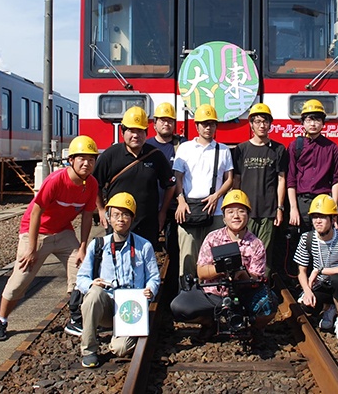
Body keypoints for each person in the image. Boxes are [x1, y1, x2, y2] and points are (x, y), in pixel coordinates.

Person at [0, 135, 99, 342]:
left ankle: (75, 318)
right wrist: (31, 247)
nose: (87, 163)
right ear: (71, 160)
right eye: (82, 158)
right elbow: (35, 212)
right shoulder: (56, 180)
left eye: (91, 159)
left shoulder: (91, 184)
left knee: (81, 270)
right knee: (20, 278)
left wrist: (83, 246)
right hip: (37, 232)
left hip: (63, 232)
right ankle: (1, 320)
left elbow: (86, 217)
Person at [170, 189, 277, 343]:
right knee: (179, 307)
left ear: (248, 215)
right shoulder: (213, 238)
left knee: (270, 303)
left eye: (241, 211)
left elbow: (258, 276)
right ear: (224, 217)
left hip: (244, 293)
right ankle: (209, 323)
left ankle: (255, 327)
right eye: (231, 212)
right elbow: (201, 271)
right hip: (214, 292)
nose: (236, 216)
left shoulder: (256, 244)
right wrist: (221, 269)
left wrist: (242, 274)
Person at [76, 192, 160, 368]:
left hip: (131, 308)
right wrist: (92, 284)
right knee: (93, 295)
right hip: (107, 304)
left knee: (120, 349)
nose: (121, 219)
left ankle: (121, 336)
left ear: (132, 218)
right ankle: (89, 350)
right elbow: (81, 278)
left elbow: (154, 276)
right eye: (116, 215)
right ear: (109, 217)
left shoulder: (144, 246)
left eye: (125, 214)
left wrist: (150, 289)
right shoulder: (98, 245)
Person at [92, 106, 175, 248]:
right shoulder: (110, 155)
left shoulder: (156, 155)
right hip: (118, 222)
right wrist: (100, 209)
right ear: (123, 132)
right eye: (131, 130)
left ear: (146, 133)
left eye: (140, 131)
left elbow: (170, 185)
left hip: (147, 223)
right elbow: (95, 184)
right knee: (117, 262)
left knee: (144, 263)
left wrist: (162, 213)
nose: (136, 135)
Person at [173, 104, 233, 277]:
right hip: (189, 209)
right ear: (196, 126)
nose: (208, 127)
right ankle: (187, 295)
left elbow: (230, 179)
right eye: (204, 123)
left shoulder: (223, 150)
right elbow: (177, 177)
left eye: (212, 124)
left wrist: (216, 196)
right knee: (188, 256)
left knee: (216, 257)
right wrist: (181, 201)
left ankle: (213, 293)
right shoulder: (185, 148)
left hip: (215, 212)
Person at [293, 194, 338, 340]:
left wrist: (320, 270)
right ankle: (330, 307)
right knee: (307, 306)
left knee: (337, 280)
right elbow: (301, 270)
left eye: (323, 217)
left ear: (332, 218)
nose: (318, 221)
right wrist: (307, 291)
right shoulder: (307, 238)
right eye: (315, 216)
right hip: (322, 283)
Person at [232, 103, 288, 273]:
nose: (262, 125)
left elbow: (281, 180)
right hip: (246, 211)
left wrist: (279, 208)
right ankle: (243, 287)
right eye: (257, 121)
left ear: (270, 124)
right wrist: (236, 208)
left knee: (263, 253)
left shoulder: (278, 149)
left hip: (268, 211)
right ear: (251, 124)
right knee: (243, 251)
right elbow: (236, 180)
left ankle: (263, 288)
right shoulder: (241, 150)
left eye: (265, 121)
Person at [286, 99, 338, 234]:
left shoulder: (332, 148)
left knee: (323, 239)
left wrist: (334, 209)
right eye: (309, 120)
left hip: (323, 200)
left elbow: (335, 180)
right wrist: (293, 208)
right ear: (303, 123)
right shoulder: (295, 146)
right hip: (302, 202)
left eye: (317, 120)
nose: (313, 124)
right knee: (301, 241)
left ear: (323, 123)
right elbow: (291, 179)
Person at [146, 102, 186, 277]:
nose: (166, 124)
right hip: (150, 209)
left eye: (170, 120)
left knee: (175, 252)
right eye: (162, 120)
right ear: (154, 123)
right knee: (146, 251)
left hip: (174, 209)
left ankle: (172, 286)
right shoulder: (146, 147)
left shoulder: (183, 146)